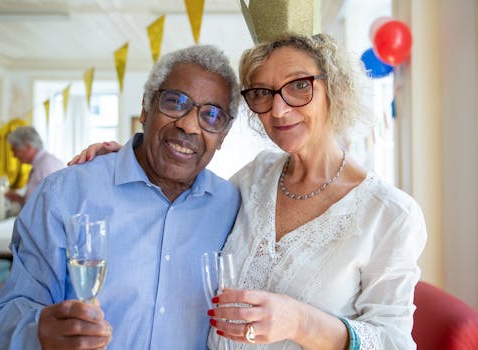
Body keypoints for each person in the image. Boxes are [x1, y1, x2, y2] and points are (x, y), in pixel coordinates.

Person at [72, 33, 427, 350]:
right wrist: (133, 156)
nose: (278, 109)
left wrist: (301, 322)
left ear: (335, 88)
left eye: (299, 85)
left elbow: (394, 341)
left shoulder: (390, 214)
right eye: (263, 93)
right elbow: (189, 193)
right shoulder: (257, 175)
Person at [0, 44, 241, 350]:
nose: (188, 125)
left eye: (211, 115)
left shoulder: (233, 206)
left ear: (223, 136)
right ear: (146, 109)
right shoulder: (64, 194)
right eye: (174, 102)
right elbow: (6, 318)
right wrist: (38, 332)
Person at [4, 126, 65, 207]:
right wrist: (19, 199)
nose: (14, 155)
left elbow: (55, 204)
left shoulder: (46, 165)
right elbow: (36, 203)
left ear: (28, 147)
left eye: (15, 150)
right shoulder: (41, 163)